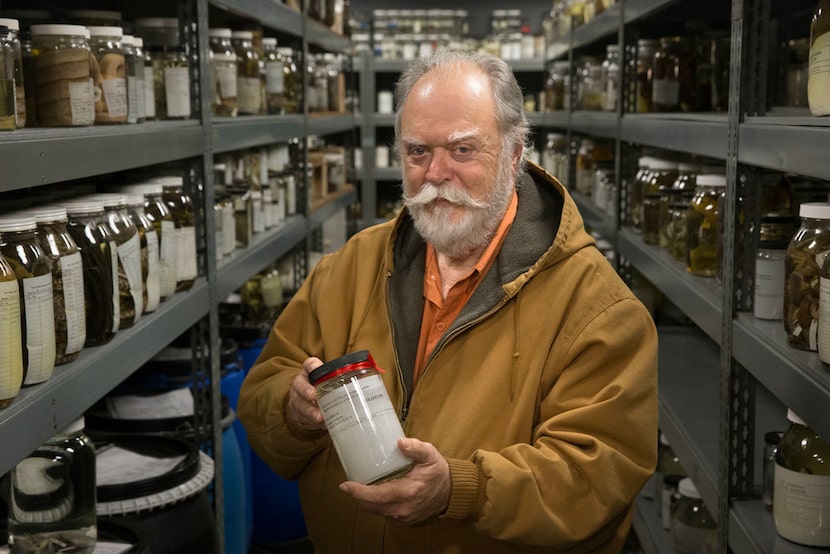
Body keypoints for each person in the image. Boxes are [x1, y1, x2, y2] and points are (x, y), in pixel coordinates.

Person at [238, 50, 658, 553]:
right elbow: (263, 391)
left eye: (462, 151)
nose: (435, 173)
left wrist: (458, 490)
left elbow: (594, 478)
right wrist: (293, 409)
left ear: (514, 152)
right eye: (417, 152)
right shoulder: (348, 270)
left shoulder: (598, 310)